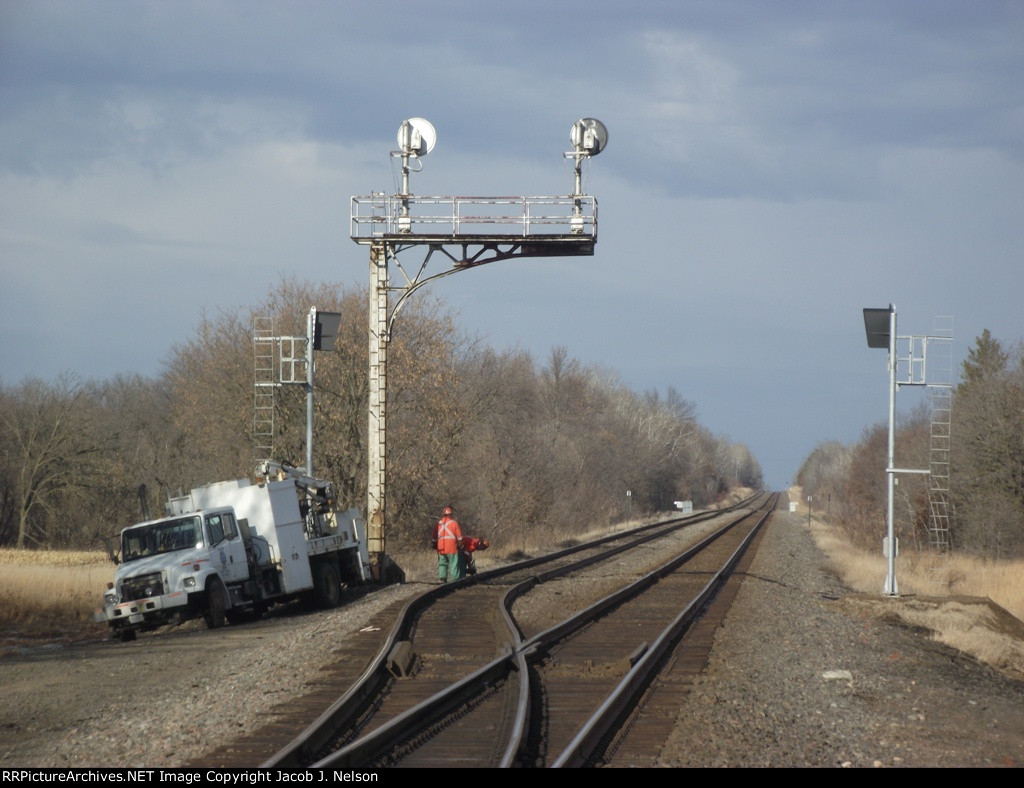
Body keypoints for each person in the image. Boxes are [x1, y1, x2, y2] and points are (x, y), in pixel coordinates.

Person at [431, 505, 464, 583]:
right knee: (453, 564)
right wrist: (460, 545)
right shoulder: (454, 523)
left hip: (441, 548)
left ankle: (443, 578)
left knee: (442, 564)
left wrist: (435, 545)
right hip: (452, 548)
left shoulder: (439, 524)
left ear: (443, 514)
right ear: (451, 514)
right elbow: (459, 537)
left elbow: (434, 538)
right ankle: (455, 580)